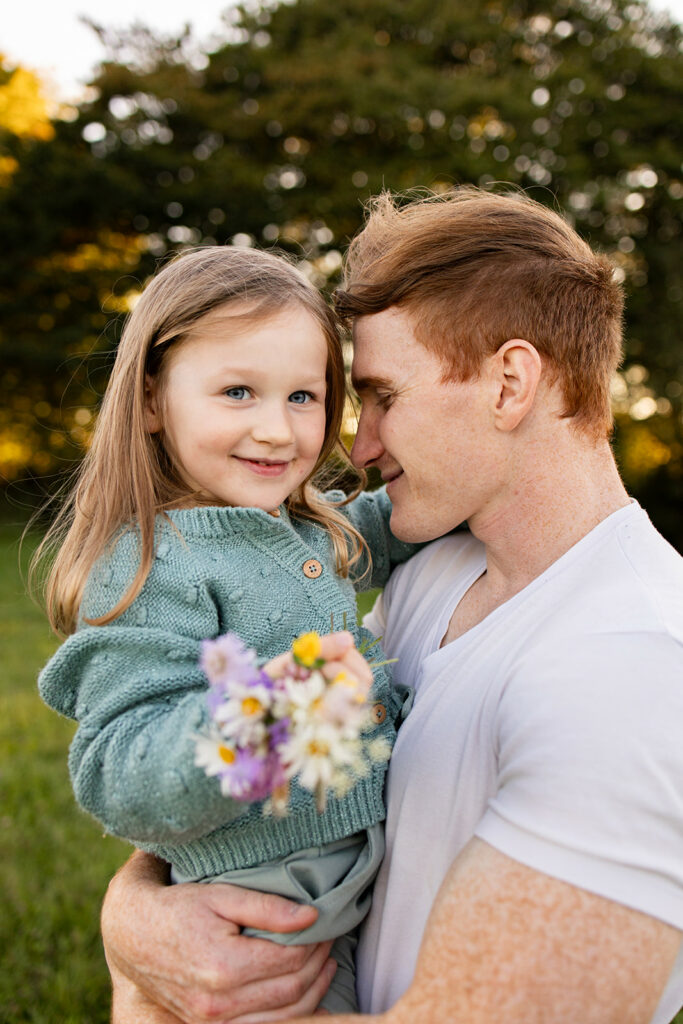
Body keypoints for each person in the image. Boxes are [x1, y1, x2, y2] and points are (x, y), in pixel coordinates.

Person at [101, 188, 683, 1024]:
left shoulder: (634, 665)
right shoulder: (435, 566)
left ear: (509, 383)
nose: (356, 446)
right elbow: (265, 781)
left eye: (382, 397)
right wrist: (136, 914)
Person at [36, 245, 421, 1015]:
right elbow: (120, 774)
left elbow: (387, 523)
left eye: (303, 398)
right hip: (259, 916)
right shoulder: (148, 567)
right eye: (238, 392)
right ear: (151, 400)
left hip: (347, 884)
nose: (277, 430)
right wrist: (262, 717)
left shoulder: (302, 526)